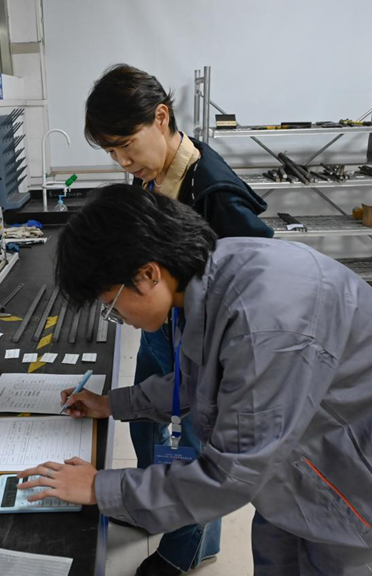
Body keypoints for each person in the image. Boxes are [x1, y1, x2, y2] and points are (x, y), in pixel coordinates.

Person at [19, 185, 372, 576]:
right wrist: (113, 404)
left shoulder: (265, 321)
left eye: (111, 304)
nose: (118, 317)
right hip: (299, 475)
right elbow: (200, 380)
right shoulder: (210, 277)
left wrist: (100, 487)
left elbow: (230, 474)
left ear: (148, 273)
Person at [83, 63, 273, 573]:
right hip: (162, 330)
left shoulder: (214, 192)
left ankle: (185, 550)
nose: (124, 161)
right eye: (112, 152)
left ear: (161, 117)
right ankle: (151, 506)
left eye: (127, 145)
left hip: (204, 340)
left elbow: (261, 268)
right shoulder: (151, 177)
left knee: (193, 447)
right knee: (147, 427)